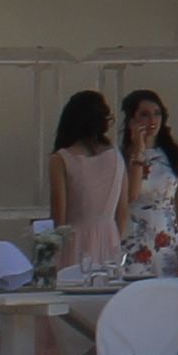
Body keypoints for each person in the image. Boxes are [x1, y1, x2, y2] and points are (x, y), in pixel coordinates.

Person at [48, 90, 126, 273]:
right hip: (110, 238)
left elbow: (59, 216)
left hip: (74, 241)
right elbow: (122, 211)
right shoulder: (115, 155)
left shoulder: (61, 159)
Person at [118, 89, 178, 278]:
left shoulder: (172, 155)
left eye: (157, 114)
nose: (152, 120)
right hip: (136, 235)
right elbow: (131, 195)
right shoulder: (123, 157)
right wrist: (138, 149)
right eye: (144, 114)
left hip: (166, 234)